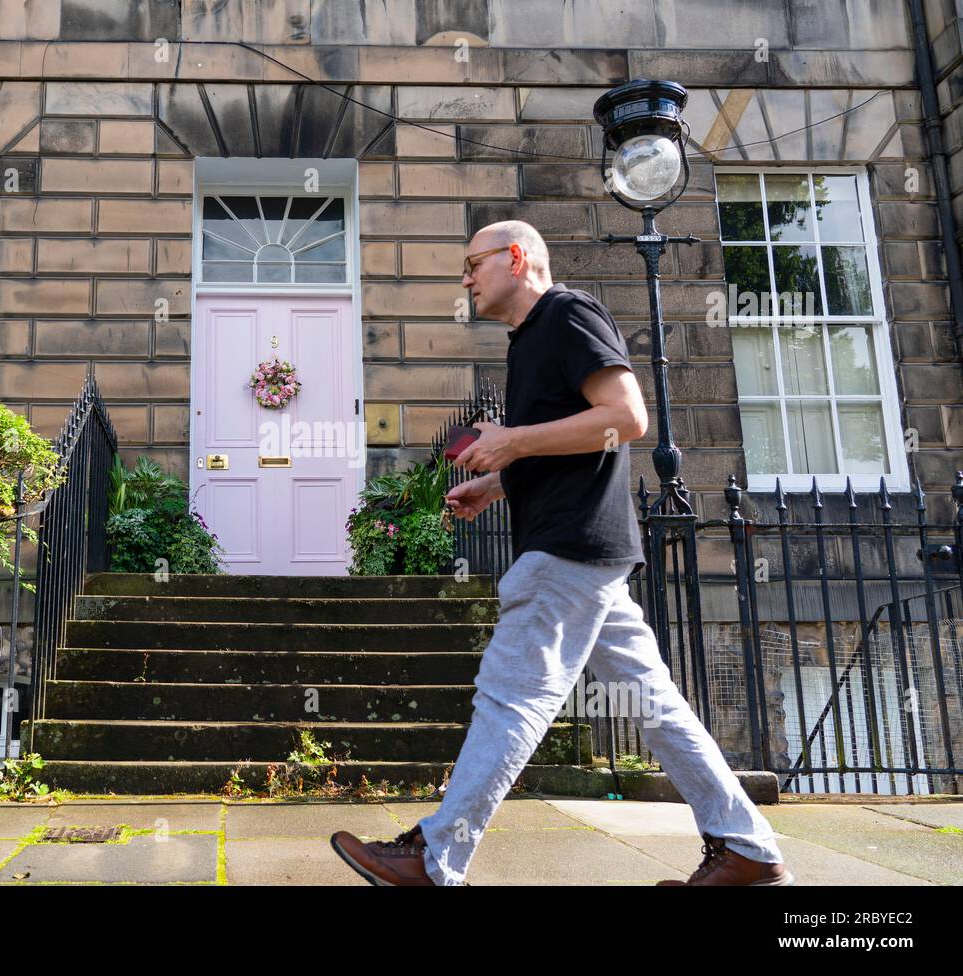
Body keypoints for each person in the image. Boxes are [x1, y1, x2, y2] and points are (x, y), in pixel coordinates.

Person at [330, 220, 794, 887]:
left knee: (510, 697)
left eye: (473, 263)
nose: (465, 278)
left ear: (517, 258)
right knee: (655, 707)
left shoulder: (567, 314)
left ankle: (436, 858)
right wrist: (499, 480)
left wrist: (514, 443)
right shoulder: (528, 344)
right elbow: (572, 443)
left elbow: (626, 419)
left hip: (569, 549)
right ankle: (747, 847)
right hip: (587, 550)